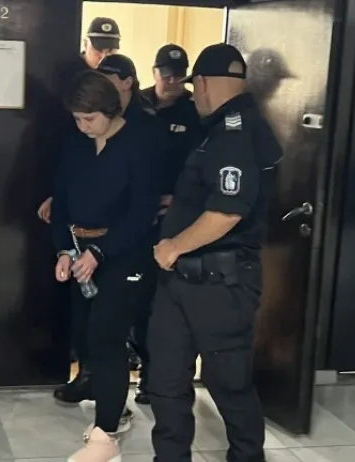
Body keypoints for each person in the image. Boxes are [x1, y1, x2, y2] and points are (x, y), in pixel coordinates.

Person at [147, 43, 283, 462]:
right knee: (166, 382)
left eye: (194, 87)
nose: (193, 96)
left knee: (229, 384)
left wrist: (173, 246)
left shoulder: (235, 132)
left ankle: (247, 457)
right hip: (183, 279)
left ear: (203, 83)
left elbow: (228, 210)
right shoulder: (222, 127)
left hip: (220, 285)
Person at [52, 70, 161, 462]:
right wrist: (64, 250)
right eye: (77, 119)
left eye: (90, 119)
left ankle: (106, 434)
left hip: (125, 251)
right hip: (80, 249)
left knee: (107, 334)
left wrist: (100, 252)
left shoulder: (140, 144)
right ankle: (115, 408)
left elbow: (142, 213)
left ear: (111, 110)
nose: (83, 126)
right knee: (84, 333)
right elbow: (61, 199)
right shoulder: (75, 143)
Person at [130, 44, 205, 405]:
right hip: (136, 218)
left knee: (172, 304)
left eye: (179, 75)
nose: (173, 81)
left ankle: (168, 380)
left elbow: (202, 166)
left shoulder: (195, 111)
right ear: (155, 72)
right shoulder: (137, 103)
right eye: (167, 74)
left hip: (177, 221)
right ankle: (144, 370)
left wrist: (179, 200)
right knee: (139, 300)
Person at [37, 17, 122, 225]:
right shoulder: (66, 79)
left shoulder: (118, 76)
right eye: (99, 50)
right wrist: (53, 191)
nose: (104, 56)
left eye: (110, 51)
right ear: (85, 44)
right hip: (66, 168)